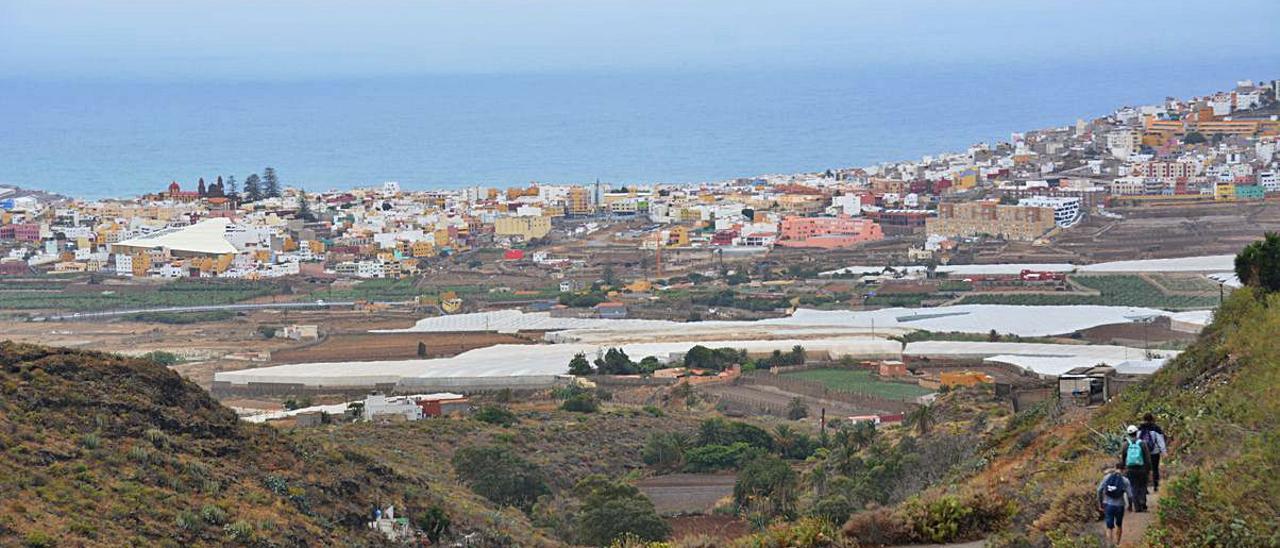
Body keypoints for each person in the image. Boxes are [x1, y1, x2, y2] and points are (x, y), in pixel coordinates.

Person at [1097, 462, 1135, 546]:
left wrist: (1100, 503)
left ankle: (1109, 544)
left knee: (1109, 526)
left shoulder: (1107, 477)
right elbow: (1130, 495)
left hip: (1108, 504)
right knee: (1119, 525)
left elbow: (1099, 490)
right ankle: (1117, 544)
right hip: (1120, 505)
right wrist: (1130, 506)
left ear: (1115, 467)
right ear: (1124, 469)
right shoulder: (1125, 480)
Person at [1119, 424, 1152, 511]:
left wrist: (1123, 468)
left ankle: (1136, 506)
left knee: (1133, 486)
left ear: (1128, 434)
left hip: (1130, 469)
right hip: (1142, 468)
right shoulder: (1142, 443)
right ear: (1136, 432)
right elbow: (1147, 458)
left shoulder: (1125, 445)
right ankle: (1143, 503)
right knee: (1143, 486)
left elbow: (1123, 458)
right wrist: (1148, 469)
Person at [1138, 413, 1167, 492]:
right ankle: (1156, 486)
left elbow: (1137, 440)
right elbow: (1160, 440)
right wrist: (1164, 451)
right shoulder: (1156, 428)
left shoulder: (1140, 428)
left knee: (1144, 469)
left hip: (1143, 452)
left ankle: (1145, 488)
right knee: (1155, 469)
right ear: (1152, 419)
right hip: (1154, 452)